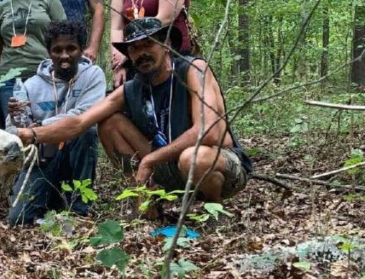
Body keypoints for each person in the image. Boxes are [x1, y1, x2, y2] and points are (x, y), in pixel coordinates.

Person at [15, 18, 252, 204]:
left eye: (149, 44)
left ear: (167, 44)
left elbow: (209, 132)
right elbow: (79, 122)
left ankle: (214, 209)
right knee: (109, 123)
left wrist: (149, 159)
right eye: (135, 48)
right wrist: (33, 135)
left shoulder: (193, 69)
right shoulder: (132, 88)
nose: (142, 53)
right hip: (169, 166)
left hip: (216, 162)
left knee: (193, 158)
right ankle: (146, 199)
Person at [6, 21, 105, 226]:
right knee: (18, 218)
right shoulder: (31, 85)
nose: (64, 56)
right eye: (57, 50)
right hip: (43, 160)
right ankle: (51, 203)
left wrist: (39, 126)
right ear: (49, 52)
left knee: (86, 131)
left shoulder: (93, 75)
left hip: (74, 155)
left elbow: (82, 115)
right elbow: (14, 130)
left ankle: (80, 207)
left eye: (71, 49)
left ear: (81, 49)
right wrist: (16, 119)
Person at [0, 0, 67, 118]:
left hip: (43, 74)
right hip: (9, 79)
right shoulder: (0, 8)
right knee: (16, 130)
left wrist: (63, 71)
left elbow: (64, 38)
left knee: (47, 126)